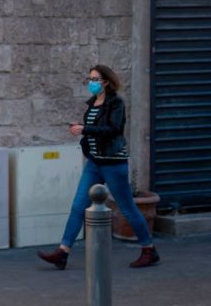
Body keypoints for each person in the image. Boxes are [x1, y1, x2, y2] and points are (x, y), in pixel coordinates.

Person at [37, 65, 160, 269]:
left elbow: (113, 129)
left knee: (128, 208)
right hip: (94, 163)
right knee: (78, 207)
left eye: (95, 79)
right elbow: (95, 128)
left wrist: (85, 129)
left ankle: (149, 249)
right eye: (89, 78)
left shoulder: (116, 103)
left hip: (113, 163)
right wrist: (82, 128)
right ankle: (63, 252)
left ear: (105, 82)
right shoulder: (93, 103)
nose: (91, 82)